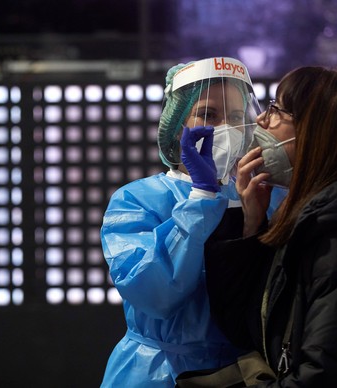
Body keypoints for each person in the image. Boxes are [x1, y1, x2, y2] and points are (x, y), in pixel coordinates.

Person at [201, 66, 337, 386]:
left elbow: (324, 375)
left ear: (318, 132)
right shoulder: (310, 217)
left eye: (276, 110)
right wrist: (252, 224)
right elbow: (246, 328)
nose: (260, 121)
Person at [99, 57, 265, 387]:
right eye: (208, 114)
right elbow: (156, 294)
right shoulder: (137, 200)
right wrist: (201, 198)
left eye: (235, 117)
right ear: (178, 126)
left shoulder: (259, 195)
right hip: (157, 374)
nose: (225, 129)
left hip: (241, 373)